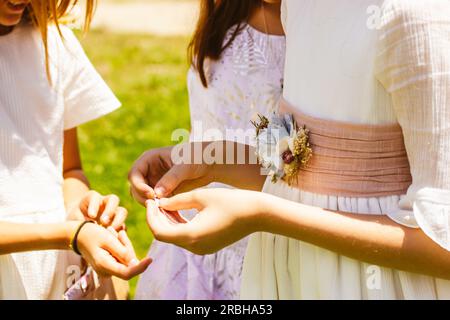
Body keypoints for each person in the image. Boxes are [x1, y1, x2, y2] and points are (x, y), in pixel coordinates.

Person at [131, 0, 450, 299]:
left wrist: (262, 214)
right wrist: (211, 159)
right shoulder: (300, 7)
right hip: (288, 275)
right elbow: (290, 160)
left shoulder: (416, 16)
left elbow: (441, 242)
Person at [133, 0, 285, 300]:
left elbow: (294, 167)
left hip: (270, 248)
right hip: (197, 243)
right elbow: (216, 119)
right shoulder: (225, 10)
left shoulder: (310, 31)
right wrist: (179, 159)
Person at [0, 0, 150, 299]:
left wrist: (81, 211)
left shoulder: (51, 42)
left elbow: (70, 169)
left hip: (60, 269)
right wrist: (71, 234)